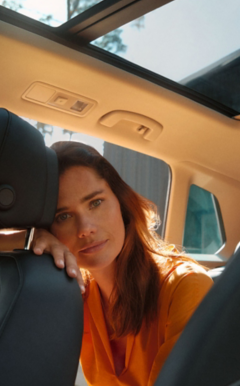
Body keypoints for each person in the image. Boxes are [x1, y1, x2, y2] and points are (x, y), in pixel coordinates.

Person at [31, 141, 213, 386]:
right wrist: (30, 238)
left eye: (95, 202)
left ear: (122, 203)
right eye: (63, 216)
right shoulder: (76, 294)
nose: (85, 228)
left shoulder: (186, 286)